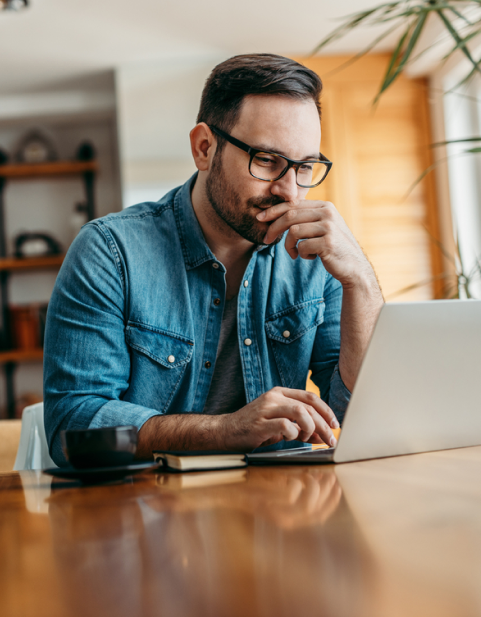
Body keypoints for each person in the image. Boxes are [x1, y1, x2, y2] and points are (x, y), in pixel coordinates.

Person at [43, 54, 384, 465]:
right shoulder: (110, 252)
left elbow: (364, 413)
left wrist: (360, 281)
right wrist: (228, 431)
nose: (290, 191)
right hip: (146, 512)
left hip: (281, 512)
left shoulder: (317, 257)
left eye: (305, 167)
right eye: (267, 161)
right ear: (204, 148)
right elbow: (72, 428)